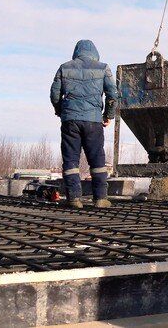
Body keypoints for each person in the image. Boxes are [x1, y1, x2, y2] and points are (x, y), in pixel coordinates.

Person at [50, 40, 118, 209]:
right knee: (97, 159)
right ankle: (100, 198)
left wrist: (61, 112)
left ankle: (74, 199)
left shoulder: (64, 67)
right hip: (93, 121)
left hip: (70, 121)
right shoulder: (103, 68)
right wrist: (108, 116)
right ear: (95, 53)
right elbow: (113, 94)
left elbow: (54, 94)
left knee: (71, 159)